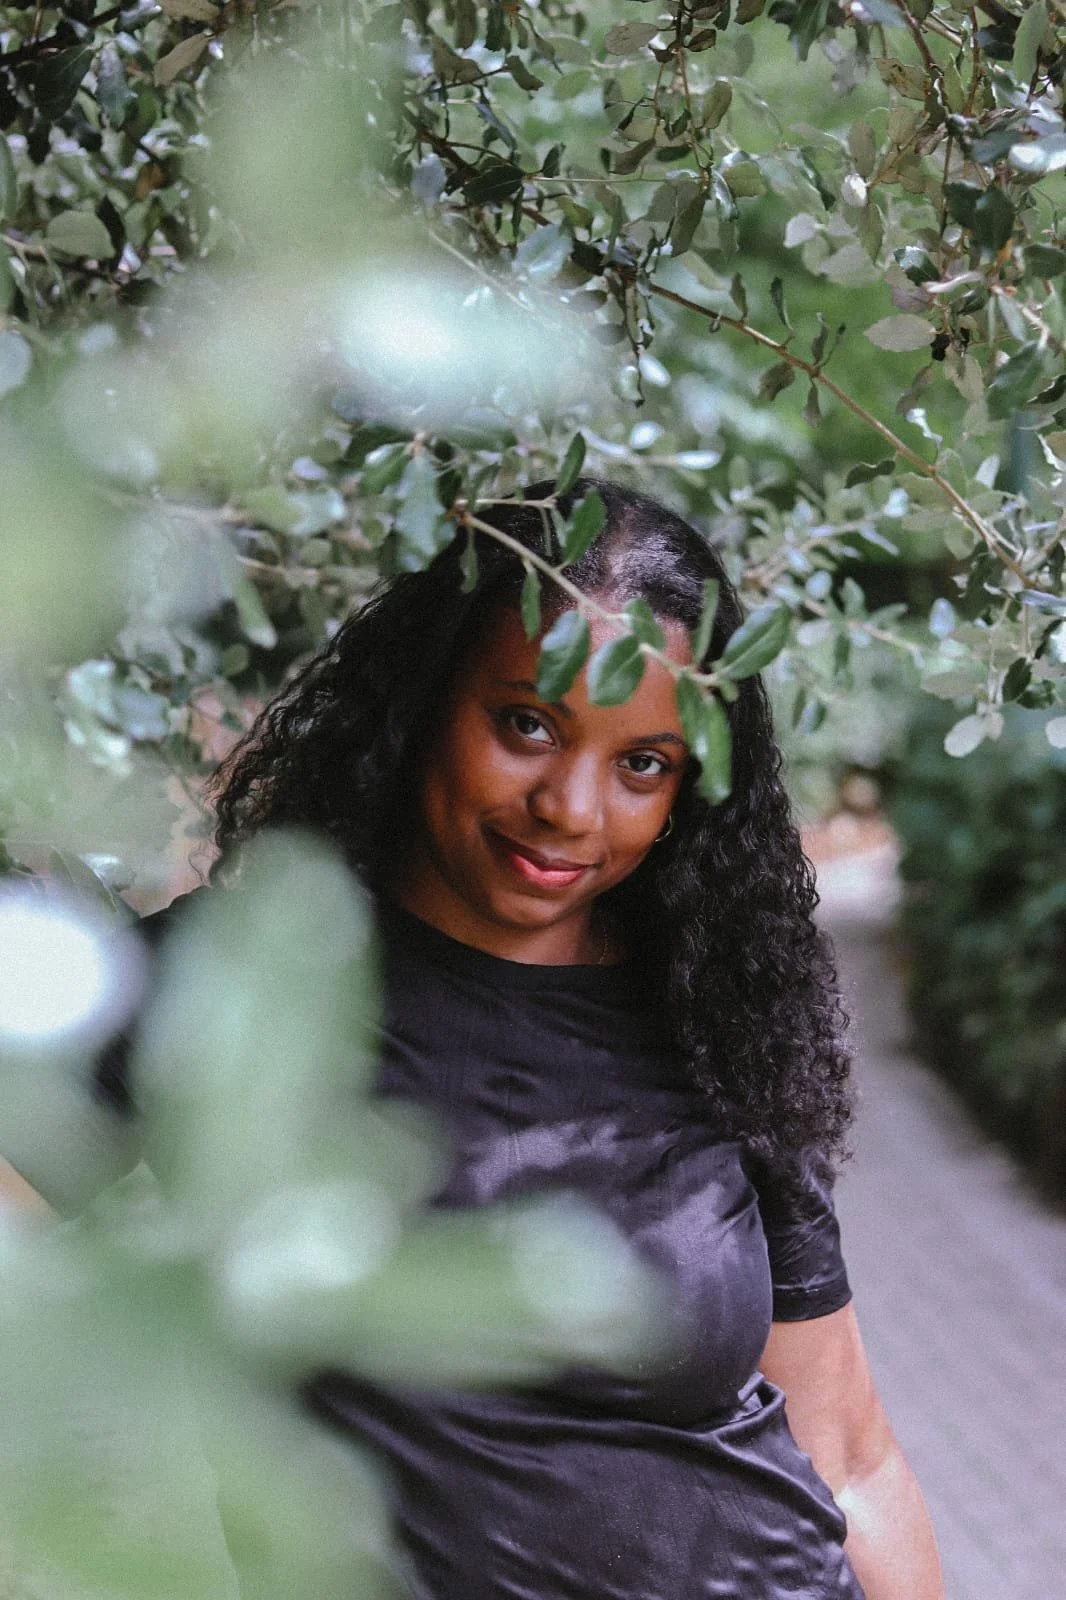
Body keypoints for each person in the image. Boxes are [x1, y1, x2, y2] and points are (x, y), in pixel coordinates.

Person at [99, 476, 944, 1599]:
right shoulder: (244, 983)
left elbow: (848, 1455)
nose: (571, 809)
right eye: (528, 724)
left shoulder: (712, 1017)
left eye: (642, 763)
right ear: (424, 702)